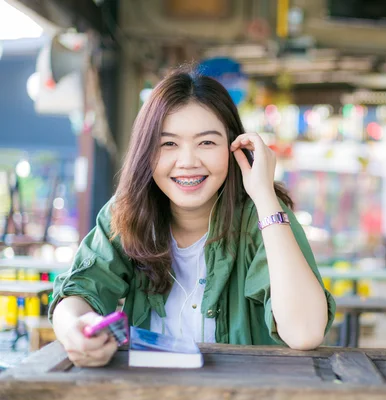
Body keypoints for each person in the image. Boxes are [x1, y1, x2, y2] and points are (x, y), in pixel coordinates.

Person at [49, 64, 336, 367]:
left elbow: (305, 333)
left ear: (234, 147)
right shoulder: (127, 213)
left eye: (207, 142)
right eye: (169, 143)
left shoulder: (263, 218)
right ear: (146, 152)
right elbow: (78, 291)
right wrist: (74, 330)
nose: (187, 161)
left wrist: (264, 195)